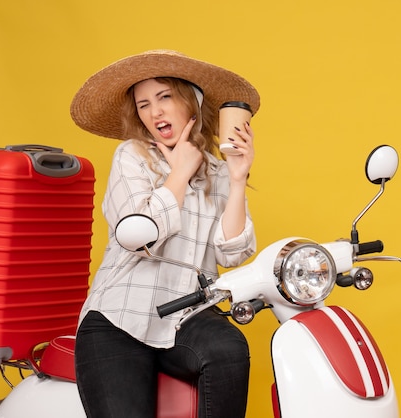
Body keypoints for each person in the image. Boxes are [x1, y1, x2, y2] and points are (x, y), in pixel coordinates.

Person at [69, 50, 261, 418]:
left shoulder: (218, 172)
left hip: (186, 318)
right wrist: (180, 172)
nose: (154, 112)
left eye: (165, 97)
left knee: (229, 349)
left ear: (193, 103)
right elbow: (139, 237)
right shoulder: (132, 157)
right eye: (143, 105)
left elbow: (231, 253)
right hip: (119, 318)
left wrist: (237, 178)